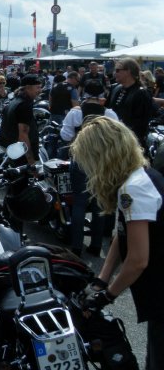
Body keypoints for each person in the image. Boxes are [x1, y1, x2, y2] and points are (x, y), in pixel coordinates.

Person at [71, 117, 164, 369]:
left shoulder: (133, 189)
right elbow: (121, 235)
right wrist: (102, 279)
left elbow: (137, 259)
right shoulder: (141, 176)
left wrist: (107, 296)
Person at [60, 80, 118, 257]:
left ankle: (77, 247)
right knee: (98, 202)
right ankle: (96, 245)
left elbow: (65, 135)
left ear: (83, 92)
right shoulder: (109, 113)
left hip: (80, 159)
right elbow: (117, 137)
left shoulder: (75, 112)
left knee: (79, 202)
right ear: (102, 94)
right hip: (102, 161)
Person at [107, 58, 153, 147]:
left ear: (128, 71)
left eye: (117, 70)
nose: (114, 73)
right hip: (113, 140)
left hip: (130, 143)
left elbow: (141, 124)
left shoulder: (141, 93)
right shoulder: (115, 88)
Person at [0, 74, 42, 165]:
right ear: (28, 88)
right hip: (20, 154)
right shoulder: (24, 105)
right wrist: (31, 161)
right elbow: (23, 136)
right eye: (37, 87)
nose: (40, 90)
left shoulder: (15, 100)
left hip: (12, 150)